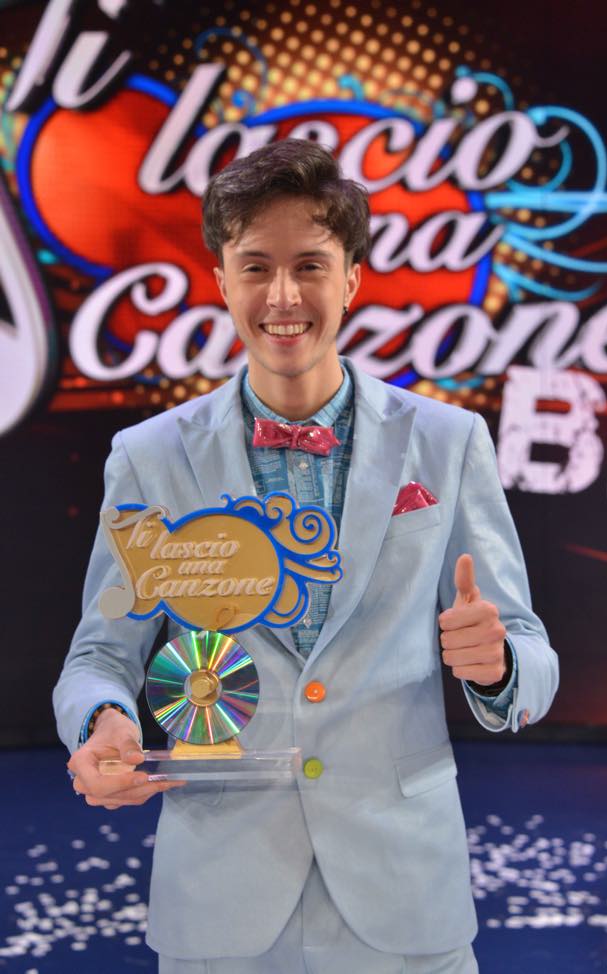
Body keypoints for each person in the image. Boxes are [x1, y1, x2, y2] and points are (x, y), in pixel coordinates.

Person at [55, 139, 559, 974]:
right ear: (221, 280)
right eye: (256, 266)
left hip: (405, 895)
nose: (283, 296)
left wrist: (500, 664)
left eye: (310, 266)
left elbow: (532, 655)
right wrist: (100, 719)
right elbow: (98, 657)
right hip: (220, 898)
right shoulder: (148, 457)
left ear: (353, 278)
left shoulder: (448, 442)